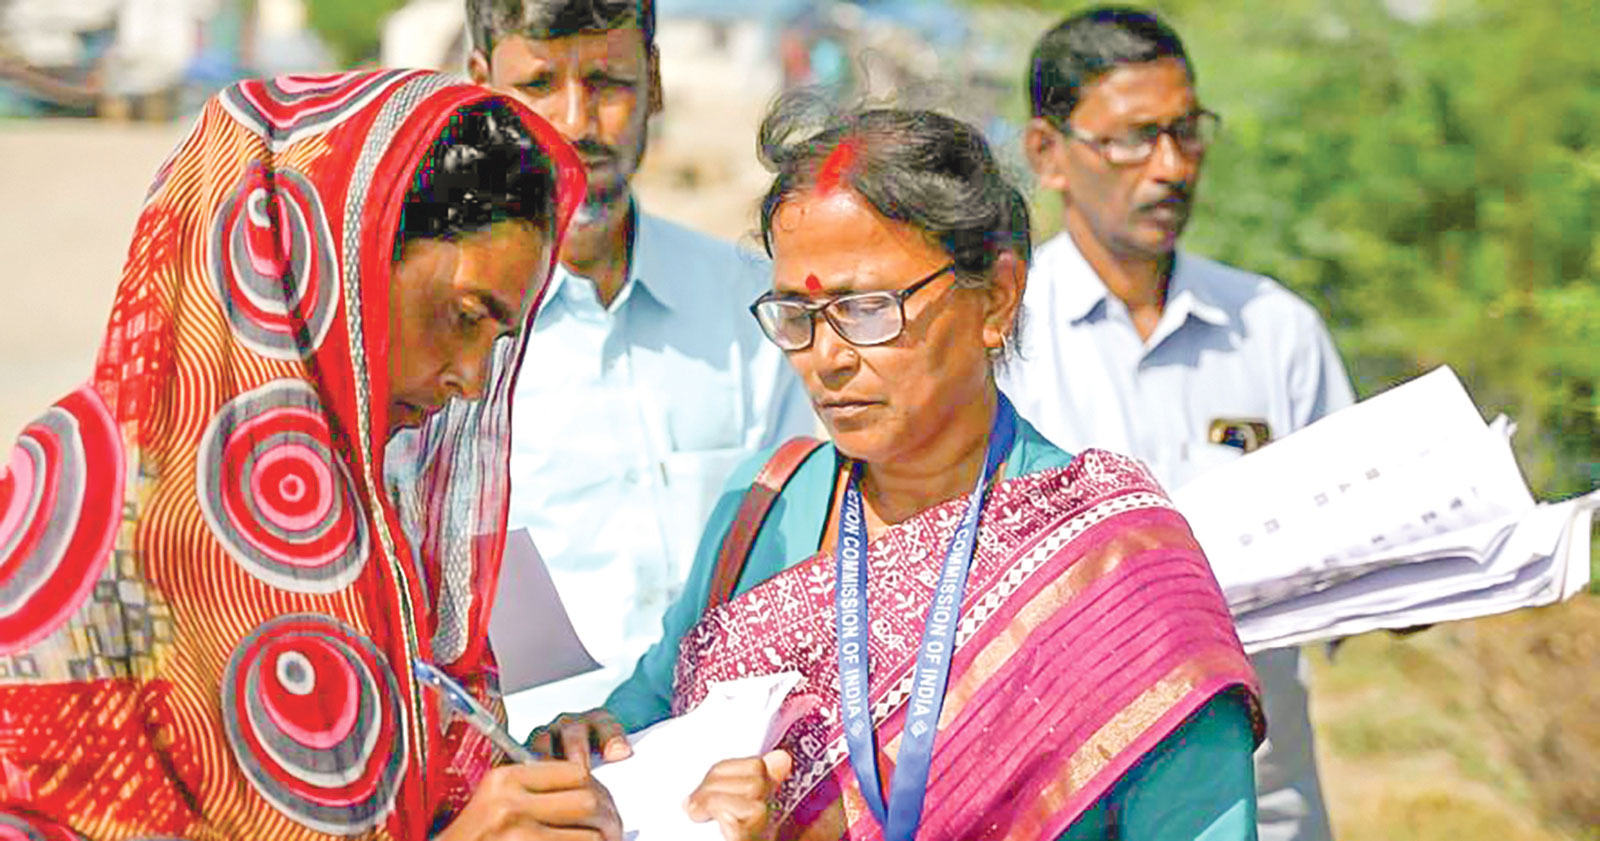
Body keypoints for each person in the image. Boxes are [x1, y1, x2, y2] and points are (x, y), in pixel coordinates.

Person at [602, 95, 1265, 841]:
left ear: (997, 297)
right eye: (797, 314)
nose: (828, 357)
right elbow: (642, 722)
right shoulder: (767, 506)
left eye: (867, 308)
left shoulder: (1114, 568)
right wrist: (594, 754)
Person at [0, 69, 621, 841]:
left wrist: (535, 776)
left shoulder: (380, 525)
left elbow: (435, 776)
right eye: (462, 316)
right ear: (331, 258)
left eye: (495, 342)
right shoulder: (82, 504)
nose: (468, 381)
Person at [1000, 8, 1353, 841]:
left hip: (1267, 807)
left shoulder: (1274, 328)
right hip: (1067, 811)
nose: (1170, 166)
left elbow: (1357, 548)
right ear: (1048, 153)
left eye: (1187, 133)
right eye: (1132, 139)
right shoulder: (999, 343)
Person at [463, 0, 814, 731]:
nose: (575, 123)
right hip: (536, 772)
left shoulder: (752, 306)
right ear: (481, 87)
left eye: (606, 82)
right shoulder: (454, 341)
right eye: (536, 85)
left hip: (747, 756)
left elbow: (801, 540)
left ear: (653, 79)